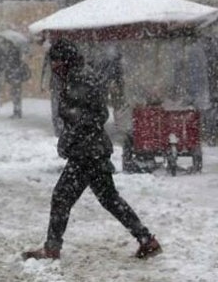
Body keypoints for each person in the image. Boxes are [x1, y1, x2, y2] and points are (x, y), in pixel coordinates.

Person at [22, 39, 162, 261]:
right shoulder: (78, 75)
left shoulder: (80, 78)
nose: (54, 67)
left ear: (65, 60)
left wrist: (70, 136)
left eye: (56, 62)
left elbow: (91, 115)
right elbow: (89, 113)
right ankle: (146, 239)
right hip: (91, 149)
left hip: (86, 152)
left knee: (61, 197)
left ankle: (52, 248)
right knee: (109, 198)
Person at [5, 54, 31, 119]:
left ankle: (17, 112)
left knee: (15, 98)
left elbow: (7, 73)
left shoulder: (12, 64)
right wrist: (22, 79)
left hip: (15, 82)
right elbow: (28, 73)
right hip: (17, 82)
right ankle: (17, 112)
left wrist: (9, 80)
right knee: (17, 98)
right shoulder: (21, 64)